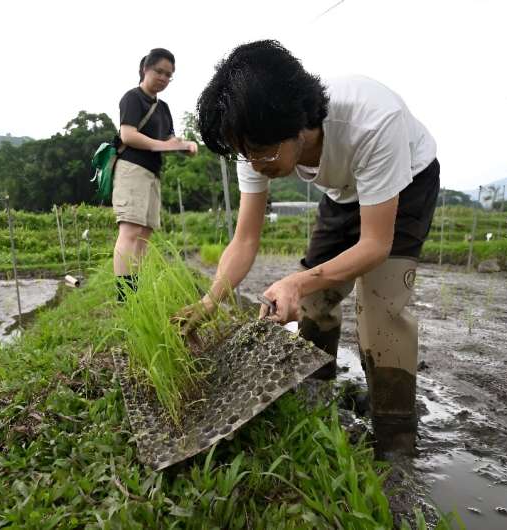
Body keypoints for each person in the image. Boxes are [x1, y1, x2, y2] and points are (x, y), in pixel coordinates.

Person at [184, 40, 440, 458]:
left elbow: (375, 245)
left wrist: (296, 280)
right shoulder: (254, 143)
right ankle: (316, 393)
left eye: (263, 153)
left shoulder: (373, 120)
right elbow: (245, 239)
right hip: (343, 193)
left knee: (381, 308)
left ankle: (395, 440)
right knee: (318, 299)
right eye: (245, 155)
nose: (255, 165)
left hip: (407, 181)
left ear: (300, 123)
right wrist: (211, 300)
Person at [113, 48, 198, 300]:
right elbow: (127, 135)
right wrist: (164, 145)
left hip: (152, 172)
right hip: (132, 169)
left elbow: (170, 138)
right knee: (130, 231)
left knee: (145, 234)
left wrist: (185, 145)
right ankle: (125, 297)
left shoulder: (164, 108)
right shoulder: (132, 98)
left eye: (169, 75)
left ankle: (134, 293)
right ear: (145, 69)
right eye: (159, 71)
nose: (163, 77)